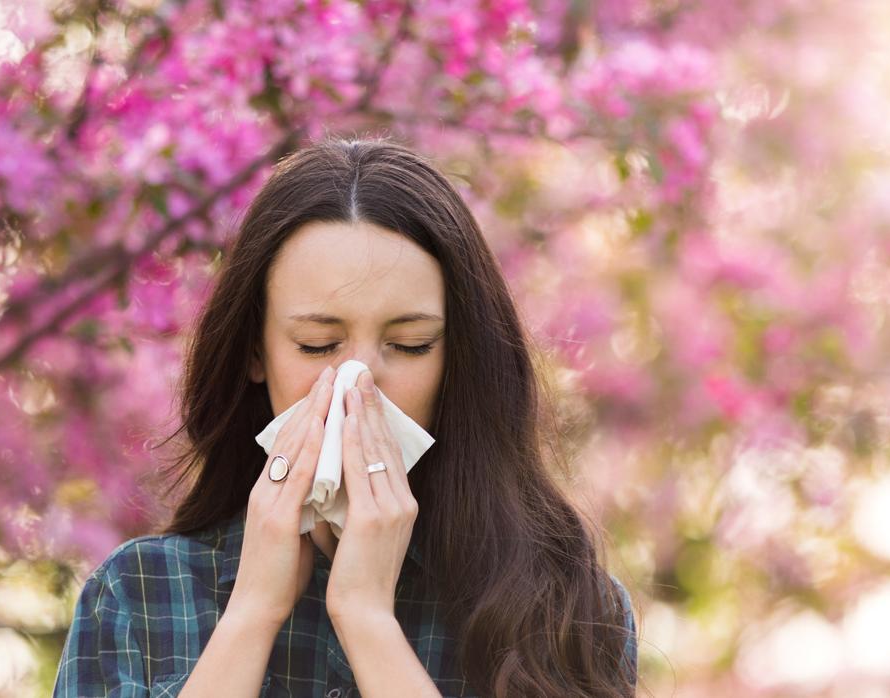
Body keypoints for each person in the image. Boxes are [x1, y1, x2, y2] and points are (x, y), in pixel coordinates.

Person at [52, 136, 639, 697]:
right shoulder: (137, 596)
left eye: (410, 345)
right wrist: (253, 610)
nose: (359, 384)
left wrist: (366, 618)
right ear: (255, 350)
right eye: (316, 345)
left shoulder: (565, 612)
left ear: (457, 357)